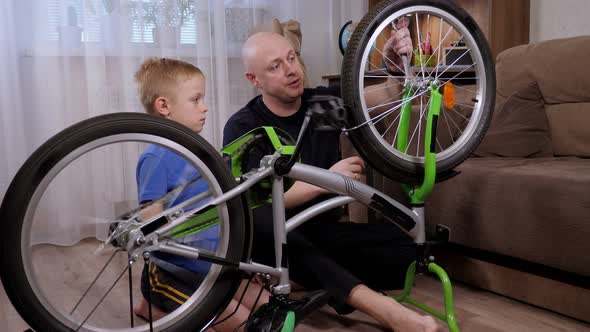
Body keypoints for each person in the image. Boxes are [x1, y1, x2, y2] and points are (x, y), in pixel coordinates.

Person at [222, 27, 442, 332]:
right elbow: (253, 205)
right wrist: (325, 180)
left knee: (414, 247)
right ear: (254, 80)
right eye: (275, 66)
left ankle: (299, 277)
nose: (291, 70)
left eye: (292, 58)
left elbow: (386, 96)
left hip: (322, 231)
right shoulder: (245, 127)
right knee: (262, 222)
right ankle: (384, 308)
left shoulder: (319, 105)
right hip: (274, 236)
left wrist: (392, 66)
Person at [133, 57, 270, 331]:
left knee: (268, 305)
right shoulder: (155, 158)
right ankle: (152, 304)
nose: (205, 108)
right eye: (196, 100)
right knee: (241, 323)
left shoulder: (200, 152)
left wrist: (240, 263)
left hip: (212, 264)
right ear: (164, 106)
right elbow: (151, 224)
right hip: (174, 272)